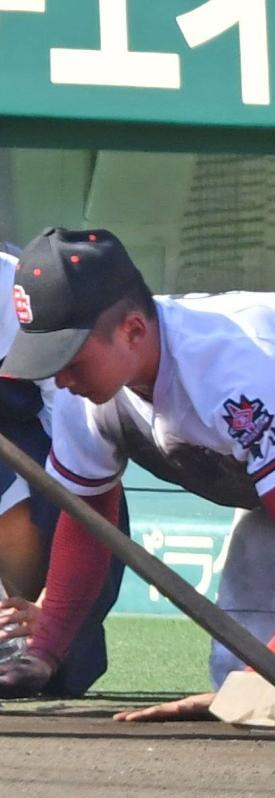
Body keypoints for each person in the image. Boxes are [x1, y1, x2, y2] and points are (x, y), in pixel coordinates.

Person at [0, 227, 275, 703]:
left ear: (133, 331)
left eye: (68, 357)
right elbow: (87, 524)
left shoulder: (234, 366)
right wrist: (42, 655)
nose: (59, 378)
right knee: (235, 670)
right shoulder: (81, 392)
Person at [0, 246, 129, 696]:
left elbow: (85, 472)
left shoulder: (22, 297)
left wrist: (53, 613)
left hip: (57, 496)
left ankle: (21, 633)